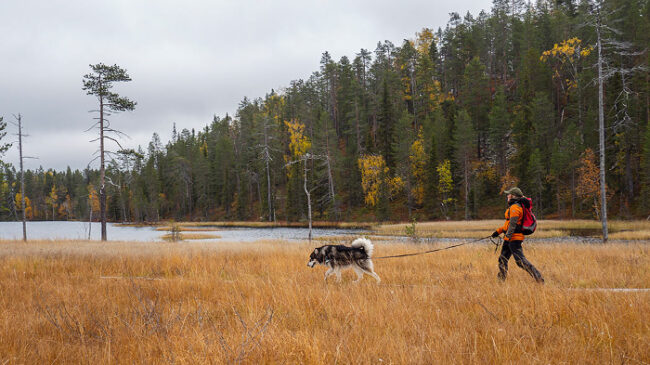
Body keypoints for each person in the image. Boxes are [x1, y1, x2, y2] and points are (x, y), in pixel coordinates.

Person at [491, 187, 544, 283]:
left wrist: (507, 237)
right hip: (511, 237)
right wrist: (498, 231)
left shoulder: (515, 207)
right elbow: (508, 224)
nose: (507, 196)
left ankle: (538, 277)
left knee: (520, 261)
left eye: (509, 194)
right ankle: (500, 281)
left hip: (514, 239)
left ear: (513, 196)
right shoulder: (514, 206)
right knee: (502, 259)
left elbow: (513, 224)